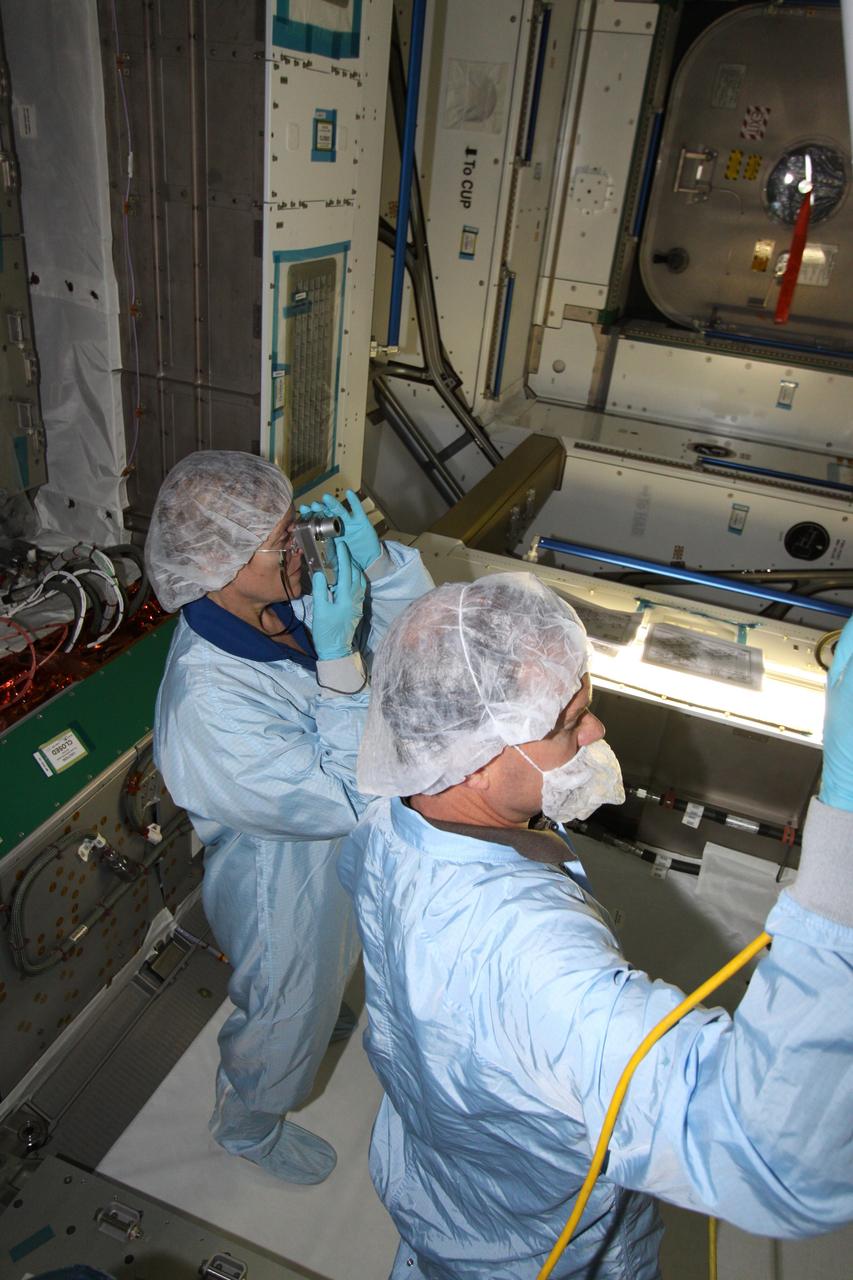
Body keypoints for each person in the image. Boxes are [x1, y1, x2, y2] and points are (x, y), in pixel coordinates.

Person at [338, 572, 853, 1278]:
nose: (596, 730)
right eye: (565, 722)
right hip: (538, 1249)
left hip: (442, 1179)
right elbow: (775, 1157)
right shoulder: (534, 962)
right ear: (476, 762)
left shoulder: (390, 817)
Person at [145, 450, 433, 1184]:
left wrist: (382, 572)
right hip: (279, 878)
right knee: (284, 1006)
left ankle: (320, 1010)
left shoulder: (281, 603)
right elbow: (343, 796)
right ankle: (247, 1121)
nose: (303, 550)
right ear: (221, 563)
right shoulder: (208, 701)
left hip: (333, 859)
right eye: (284, 542)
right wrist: (336, 666)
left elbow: (401, 658)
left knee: (338, 956)